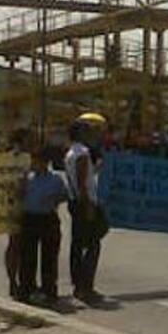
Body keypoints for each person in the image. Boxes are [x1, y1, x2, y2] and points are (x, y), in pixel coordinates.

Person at [17, 146, 67, 304]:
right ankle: (26, 289)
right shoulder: (28, 178)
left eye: (39, 161)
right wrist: (21, 186)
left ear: (46, 162)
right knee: (28, 256)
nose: (36, 164)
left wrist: (54, 198)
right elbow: (18, 196)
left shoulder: (55, 179)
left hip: (48, 217)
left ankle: (49, 290)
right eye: (34, 161)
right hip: (30, 218)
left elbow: (64, 195)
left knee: (49, 256)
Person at [65, 121, 106, 303]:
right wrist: (88, 205)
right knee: (92, 244)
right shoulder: (82, 153)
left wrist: (96, 168)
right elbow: (82, 182)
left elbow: (83, 176)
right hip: (85, 202)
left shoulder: (70, 153)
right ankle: (85, 285)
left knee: (78, 244)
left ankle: (78, 284)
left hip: (75, 201)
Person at [2, 129, 30, 299]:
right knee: (15, 244)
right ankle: (13, 281)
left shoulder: (29, 157)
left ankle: (22, 281)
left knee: (23, 246)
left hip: (30, 206)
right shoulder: (10, 158)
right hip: (13, 205)